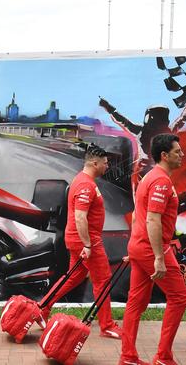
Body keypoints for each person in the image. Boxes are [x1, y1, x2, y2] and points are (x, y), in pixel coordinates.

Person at [119, 134, 186, 365]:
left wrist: (136, 248)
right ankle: (163, 357)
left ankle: (128, 357)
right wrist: (159, 256)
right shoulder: (160, 181)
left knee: (136, 302)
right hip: (151, 249)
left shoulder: (150, 177)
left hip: (141, 246)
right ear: (164, 155)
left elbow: (141, 215)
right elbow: (152, 219)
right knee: (179, 298)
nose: (182, 155)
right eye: (177, 151)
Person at [39, 145, 122, 339]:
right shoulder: (85, 184)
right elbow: (80, 217)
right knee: (102, 280)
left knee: (73, 276)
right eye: (105, 163)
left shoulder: (84, 181)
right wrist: (87, 244)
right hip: (86, 240)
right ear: (95, 163)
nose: (107, 166)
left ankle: (42, 308)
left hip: (80, 239)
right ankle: (107, 325)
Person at [98, 98, 186, 191]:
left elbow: (123, 121)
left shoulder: (142, 131)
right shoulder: (167, 132)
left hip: (145, 171)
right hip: (156, 171)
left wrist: (109, 108)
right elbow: (181, 120)